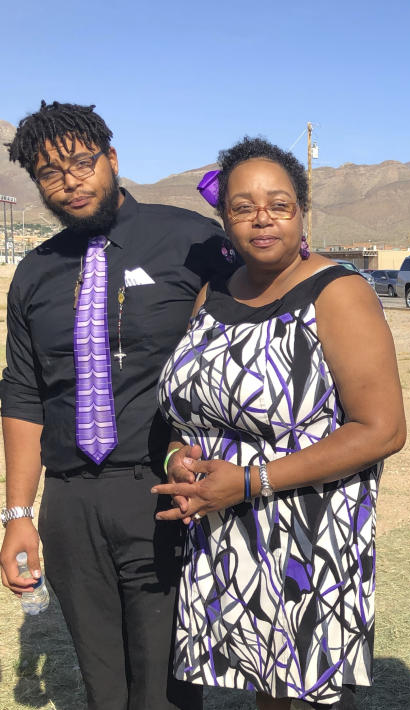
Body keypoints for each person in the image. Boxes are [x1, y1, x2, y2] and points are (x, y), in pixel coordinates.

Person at [151, 137, 406, 710]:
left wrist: (249, 481)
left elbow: (383, 429)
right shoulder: (214, 293)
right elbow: (190, 406)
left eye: (279, 204)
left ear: (302, 211)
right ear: (225, 219)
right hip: (225, 524)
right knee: (262, 690)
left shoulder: (338, 293)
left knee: (290, 686)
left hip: (305, 528)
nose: (261, 219)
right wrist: (177, 455)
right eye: (242, 207)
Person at [0, 101, 233, 710]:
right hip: (71, 503)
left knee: (166, 686)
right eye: (50, 173)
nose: (70, 181)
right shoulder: (34, 271)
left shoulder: (193, 240)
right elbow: (22, 394)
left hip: (161, 491)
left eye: (81, 162)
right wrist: (18, 513)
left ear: (112, 159)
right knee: (102, 687)